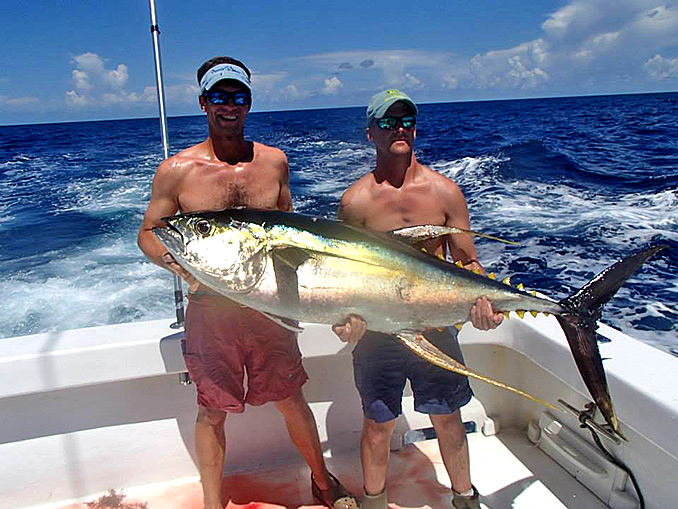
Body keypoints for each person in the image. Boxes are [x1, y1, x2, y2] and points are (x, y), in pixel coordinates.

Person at [137, 56, 359, 509]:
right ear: (203, 103)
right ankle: (213, 503)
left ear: (249, 103)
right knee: (211, 411)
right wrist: (179, 266)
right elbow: (149, 233)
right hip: (212, 312)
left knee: (292, 398)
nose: (229, 106)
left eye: (238, 97)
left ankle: (322, 482)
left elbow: (293, 234)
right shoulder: (176, 171)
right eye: (219, 96)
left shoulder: (274, 163)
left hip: (270, 307)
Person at [333, 89, 503, 509]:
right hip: (377, 334)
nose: (399, 128)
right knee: (378, 425)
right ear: (370, 133)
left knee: (448, 419)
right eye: (388, 122)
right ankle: (374, 503)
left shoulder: (444, 193)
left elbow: (468, 263)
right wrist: (346, 320)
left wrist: (485, 306)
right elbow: (345, 276)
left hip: (437, 328)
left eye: (406, 119)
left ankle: (464, 499)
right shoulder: (354, 203)